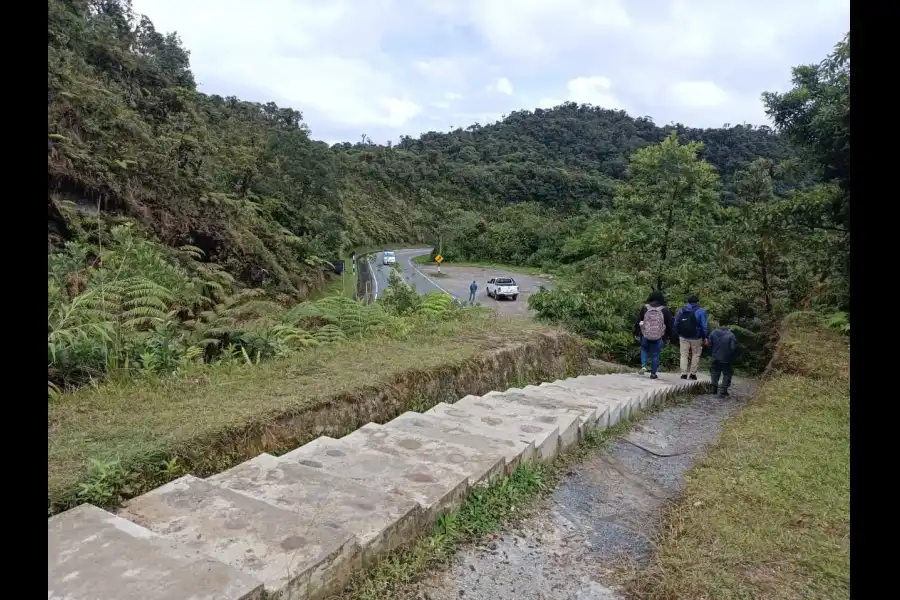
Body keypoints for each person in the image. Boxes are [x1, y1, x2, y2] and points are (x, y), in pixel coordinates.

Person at [633, 290, 674, 379]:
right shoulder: (665, 309)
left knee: (644, 349)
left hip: (645, 334)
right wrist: (669, 337)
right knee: (655, 354)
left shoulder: (645, 308)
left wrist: (636, 333)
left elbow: (638, 321)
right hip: (659, 336)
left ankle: (644, 365)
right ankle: (653, 374)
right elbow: (670, 325)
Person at [673, 294, 709, 380]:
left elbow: (676, 323)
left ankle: (683, 373)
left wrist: (679, 332)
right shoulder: (701, 311)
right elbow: (704, 326)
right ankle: (693, 374)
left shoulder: (682, 310)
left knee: (683, 355)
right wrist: (705, 337)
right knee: (696, 355)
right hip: (696, 337)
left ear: (688, 302)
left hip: (683, 336)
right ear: (697, 302)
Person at [708, 316, 738, 396]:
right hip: (726, 358)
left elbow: (709, 344)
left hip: (715, 357)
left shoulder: (713, 332)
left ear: (719, 324)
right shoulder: (731, 335)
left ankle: (713, 389)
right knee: (727, 373)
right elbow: (733, 348)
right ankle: (723, 390)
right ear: (727, 325)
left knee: (714, 372)